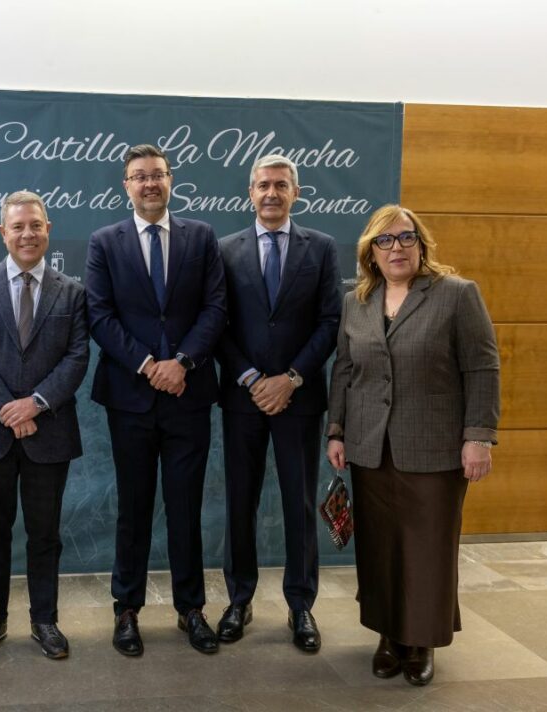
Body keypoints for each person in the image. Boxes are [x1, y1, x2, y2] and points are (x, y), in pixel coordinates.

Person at [326, 204, 500, 686]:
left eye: (405, 238)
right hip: (369, 445)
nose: (396, 248)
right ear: (371, 253)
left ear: (421, 246)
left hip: (435, 447)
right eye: (385, 241)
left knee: (427, 547)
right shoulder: (356, 301)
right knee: (380, 548)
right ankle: (388, 636)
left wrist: (478, 437)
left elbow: (482, 369)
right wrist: (336, 430)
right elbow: (344, 369)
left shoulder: (457, 295)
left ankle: (419, 641)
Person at [85, 144, 227, 656]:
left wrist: (182, 362)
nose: (149, 184)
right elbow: (100, 316)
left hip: (188, 395)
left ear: (171, 181)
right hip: (131, 397)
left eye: (157, 175)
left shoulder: (201, 237)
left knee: (186, 507)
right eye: (138, 176)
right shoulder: (105, 242)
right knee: (134, 508)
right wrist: (148, 366)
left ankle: (191, 609)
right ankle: (126, 610)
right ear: (126, 185)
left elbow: (216, 308)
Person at [214, 155, 341, 652]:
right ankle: (239, 599)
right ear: (250, 192)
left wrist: (290, 379)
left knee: (298, 502)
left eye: (281, 185)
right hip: (243, 399)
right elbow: (216, 324)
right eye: (263, 185)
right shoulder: (224, 251)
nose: (271, 193)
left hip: (300, 398)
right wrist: (251, 379)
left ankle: (300, 604)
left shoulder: (323, 248)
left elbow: (330, 321)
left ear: (296, 191)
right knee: (240, 502)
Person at [0, 191, 89, 661]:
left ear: (48, 228)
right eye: (18, 227)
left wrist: (34, 404)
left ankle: (45, 620)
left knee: (45, 533)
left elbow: (77, 357)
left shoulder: (71, 292)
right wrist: (7, 409)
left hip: (47, 431)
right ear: (3, 233)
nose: (27, 234)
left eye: (35, 225)